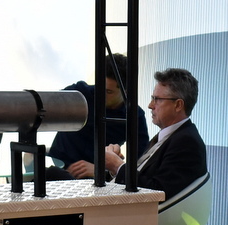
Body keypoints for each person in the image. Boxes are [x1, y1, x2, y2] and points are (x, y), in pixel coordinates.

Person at [107, 67, 206, 200]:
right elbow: (145, 178)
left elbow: (158, 192)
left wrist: (118, 166)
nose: (150, 105)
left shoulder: (187, 142)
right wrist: (115, 169)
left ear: (178, 105)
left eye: (157, 99)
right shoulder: (170, 136)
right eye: (152, 98)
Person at [48, 53, 148, 179]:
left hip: (95, 181)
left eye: (108, 91)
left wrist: (101, 171)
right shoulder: (78, 93)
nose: (100, 93)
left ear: (126, 91)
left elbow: (140, 163)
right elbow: (43, 109)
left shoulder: (135, 117)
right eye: (99, 86)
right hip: (55, 170)